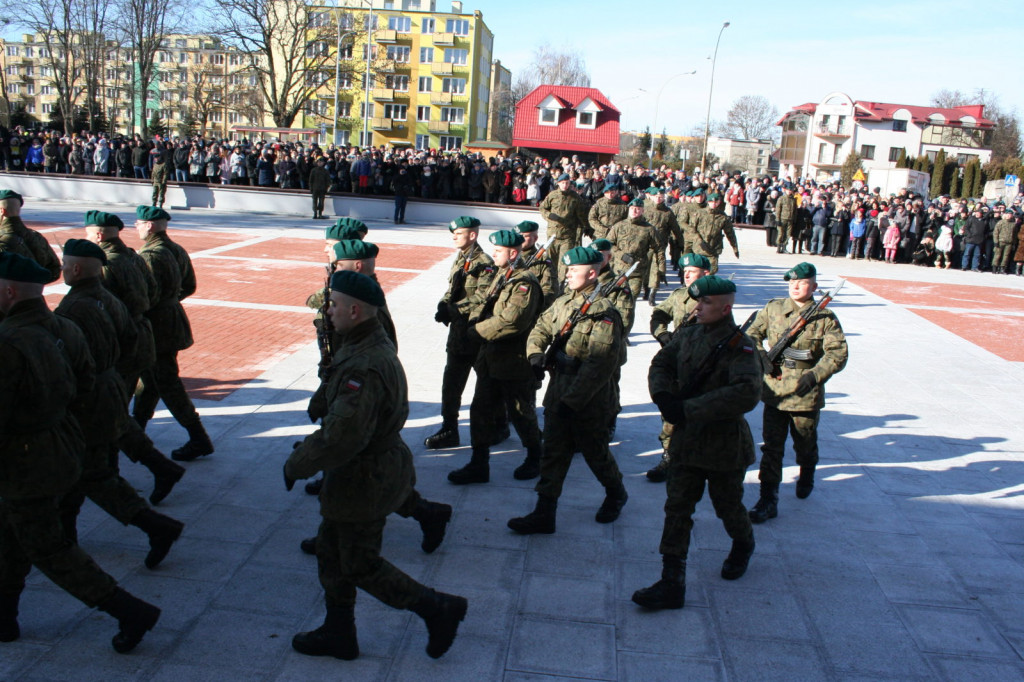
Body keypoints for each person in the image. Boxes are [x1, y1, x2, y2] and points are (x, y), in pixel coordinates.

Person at [284, 270, 467, 661]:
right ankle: (339, 632)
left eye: (332, 305)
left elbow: (342, 437)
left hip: (363, 477)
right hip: (360, 472)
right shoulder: (360, 342)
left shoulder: (363, 366)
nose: (327, 311)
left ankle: (437, 608)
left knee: (360, 564)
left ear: (355, 310)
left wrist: (298, 463)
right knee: (331, 553)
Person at [0, 252, 161, 653]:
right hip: (59, 445)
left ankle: (130, 611)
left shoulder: (9, 343)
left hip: (25, 462)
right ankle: (4, 615)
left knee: (48, 549)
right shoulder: (63, 326)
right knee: (12, 538)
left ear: (8, 291)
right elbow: (84, 383)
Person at [633, 275, 762, 610]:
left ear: (726, 308)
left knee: (728, 507)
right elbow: (662, 362)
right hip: (687, 443)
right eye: (697, 301)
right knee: (677, 508)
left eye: (705, 303)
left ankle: (743, 543)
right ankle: (671, 580)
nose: (697, 307)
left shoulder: (742, 346)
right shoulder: (688, 334)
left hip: (723, 445)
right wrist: (662, 395)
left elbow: (746, 393)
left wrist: (687, 408)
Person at [55, 240, 185, 567]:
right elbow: (130, 340)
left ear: (77, 269)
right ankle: (65, 537)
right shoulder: (108, 299)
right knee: (83, 473)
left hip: (88, 399)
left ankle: (157, 526)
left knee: (89, 474)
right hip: (109, 384)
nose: (63, 269)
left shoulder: (72, 309)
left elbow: (68, 361)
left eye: (65, 264)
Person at [508, 246, 628, 535]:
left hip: (591, 398)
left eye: (574, 270)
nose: (568, 274)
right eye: (568, 269)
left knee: (594, 452)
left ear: (592, 273)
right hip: (560, 389)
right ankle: (544, 512)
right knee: (553, 451)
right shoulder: (564, 302)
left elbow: (600, 365)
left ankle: (616, 493)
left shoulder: (604, 312)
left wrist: (571, 401)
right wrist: (535, 354)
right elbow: (540, 327)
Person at [83, 210, 185, 505]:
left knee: (111, 412)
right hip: (140, 335)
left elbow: (100, 311)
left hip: (121, 344)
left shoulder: (107, 264)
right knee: (118, 410)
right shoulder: (133, 256)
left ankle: (123, 472)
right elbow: (153, 292)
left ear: (99, 235)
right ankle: (157, 466)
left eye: (89, 233)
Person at [747, 263, 849, 524]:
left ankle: (807, 470)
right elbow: (751, 334)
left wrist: (815, 375)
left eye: (802, 282)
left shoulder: (825, 318)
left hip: (805, 394)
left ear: (814, 287)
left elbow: (838, 353)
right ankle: (768, 498)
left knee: (804, 443)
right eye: (792, 282)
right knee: (772, 448)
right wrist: (761, 357)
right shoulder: (773, 308)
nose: (795, 286)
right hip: (776, 391)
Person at [448, 229, 544, 484]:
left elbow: (512, 321)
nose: (493, 254)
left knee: (521, 413)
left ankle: (536, 456)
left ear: (513, 253)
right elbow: (484, 301)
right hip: (491, 359)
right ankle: (479, 464)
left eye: (498, 251)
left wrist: (476, 331)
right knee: (480, 411)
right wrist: (458, 311)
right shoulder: (503, 275)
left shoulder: (525, 283)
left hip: (514, 361)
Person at [132, 206, 215, 462]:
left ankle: (198, 438)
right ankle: (137, 430)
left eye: (138, 223)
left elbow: (148, 296)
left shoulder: (149, 255)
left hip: (158, 327)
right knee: (149, 379)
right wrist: (171, 301)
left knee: (166, 383)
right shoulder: (176, 249)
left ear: (150, 226)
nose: (135, 227)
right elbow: (189, 285)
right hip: (170, 320)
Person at [424, 216, 496, 449]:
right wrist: (443, 305)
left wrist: (454, 309)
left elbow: (484, 296)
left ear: (472, 235)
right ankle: (449, 428)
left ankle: (497, 425)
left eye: (458, 233)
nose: (454, 236)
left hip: (476, 333)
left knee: (487, 385)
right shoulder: (460, 258)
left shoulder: (484, 263)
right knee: (452, 381)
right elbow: (452, 288)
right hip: (458, 333)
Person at [646, 253, 711, 482]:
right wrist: (662, 334)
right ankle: (669, 457)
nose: (686, 275)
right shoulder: (678, 296)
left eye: (691, 271)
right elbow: (659, 314)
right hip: (678, 365)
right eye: (684, 271)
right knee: (671, 415)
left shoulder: (714, 298)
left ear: (706, 274)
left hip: (705, 367)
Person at [0, 190, 61, 284]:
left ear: (2, 211)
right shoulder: (36, 236)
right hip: (34, 295)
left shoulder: (2, 241)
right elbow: (55, 270)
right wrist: (33, 287)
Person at [608, 198, 662, 303]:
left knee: (630, 301)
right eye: (632, 208)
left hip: (637, 271)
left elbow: (659, 248)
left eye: (638, 209)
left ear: (642, 211)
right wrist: (621, 254)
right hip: (619, 270)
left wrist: (661, 269)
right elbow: (609, 244)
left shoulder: (649, 229)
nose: (634, 211)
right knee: (615, 301)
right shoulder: (619, 226)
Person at [539, 173, 590, 283]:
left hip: (568, 235)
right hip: (552, 234)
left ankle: (560, 284)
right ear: (558, 183)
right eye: (563, 183)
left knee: (564, 262)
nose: (565, 185)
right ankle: (549, 283)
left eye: (567, 183)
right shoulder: (552, 195)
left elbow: (581, 215)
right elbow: (542, 208)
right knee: (550, 261)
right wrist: (549, 215)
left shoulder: (575, 198)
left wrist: (586, 227)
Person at [690, 193, 739, 275]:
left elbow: (730, 233)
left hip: (714, 249)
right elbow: (691, 228)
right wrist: (698, 239)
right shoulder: (699, 213)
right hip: (700, 248)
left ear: (719, 202)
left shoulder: (723, 217)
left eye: (716, 202)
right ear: (708, 202)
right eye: (711, 202)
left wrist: (735, 247)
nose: (714, 203)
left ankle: (708, 285)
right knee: (697, 271)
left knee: (712, 270)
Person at [514, 220, 558, 310]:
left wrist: (533, 309)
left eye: (524, 236)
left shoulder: (543, 261)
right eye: (518, 235)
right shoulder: (510, 257)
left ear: (535, 238)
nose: (520, 239)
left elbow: (549, 291)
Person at [151, 142, 170, 208]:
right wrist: (152, 180)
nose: (156, 159)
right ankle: (154, 204)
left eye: (157, 158)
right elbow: (153, 173)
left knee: (161, 194)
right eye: (155, 158)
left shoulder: (163, 164)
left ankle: (160, 205)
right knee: (154, 193)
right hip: (155, 181)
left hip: (161, 181)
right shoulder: (155, 165)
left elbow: (165, 173)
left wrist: (164, 181)